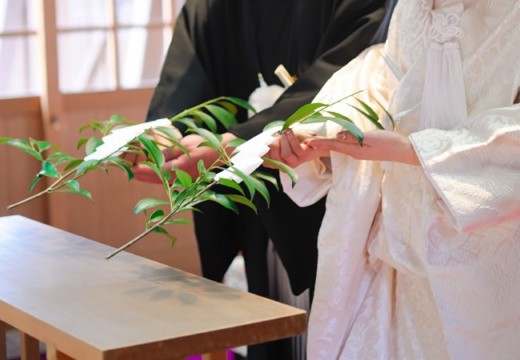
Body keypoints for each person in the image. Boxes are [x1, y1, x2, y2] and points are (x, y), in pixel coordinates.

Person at [131, 1, 396, 359]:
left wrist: (241, 142)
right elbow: (191, 63)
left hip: (330, 189)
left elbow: (354, 74)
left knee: (332, 328)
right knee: (266, 325)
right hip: (251, 195)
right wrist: (168, 133)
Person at [267, 0, 520, 358]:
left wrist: (413, 149)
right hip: (398, 271)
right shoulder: (412, 8)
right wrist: (323, 139)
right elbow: (377, 85)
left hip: (490, 283)